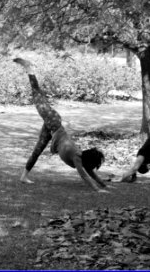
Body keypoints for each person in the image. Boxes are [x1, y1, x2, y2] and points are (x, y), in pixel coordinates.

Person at [12, 57, 107, 192]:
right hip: (54, 122)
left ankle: (24, 176)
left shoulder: (81, 160)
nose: (93, 168)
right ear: (89, 161)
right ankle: (30, 69)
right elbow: (85, 176)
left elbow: (90, 173)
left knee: (37, 150)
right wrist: (98, 189)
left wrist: (103, 184)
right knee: (37, 95)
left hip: (52, 128)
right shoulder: (77, 157)